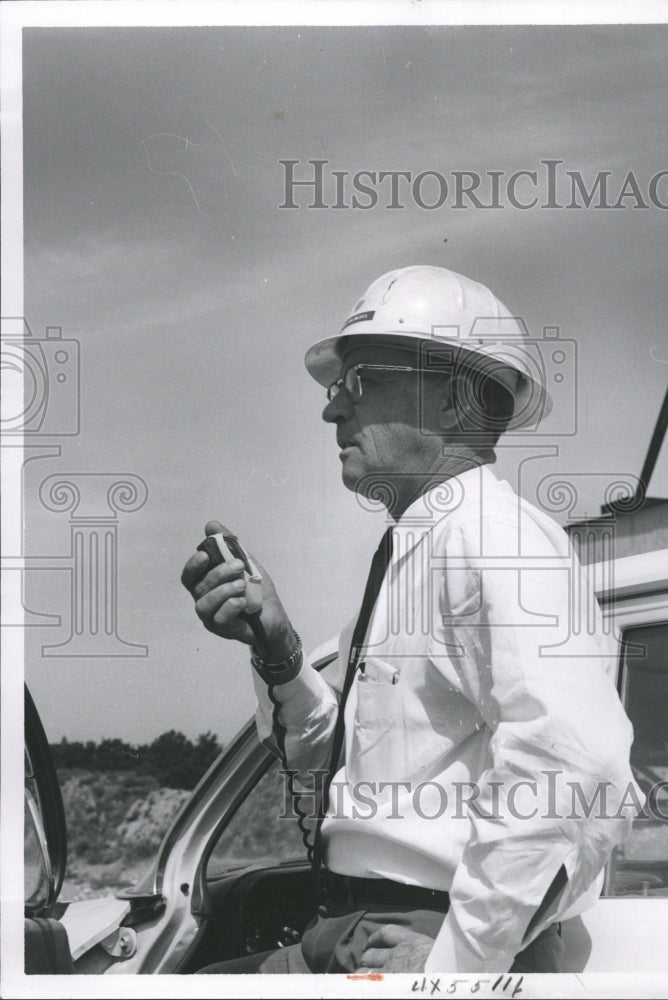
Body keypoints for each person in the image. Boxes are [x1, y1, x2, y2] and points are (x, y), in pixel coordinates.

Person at [182, 265, 638, 974]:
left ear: (457, 400)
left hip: (418, 933)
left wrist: (457, 966)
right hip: (354, 926)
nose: (332, 411)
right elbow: (324, 755)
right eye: (338, 388)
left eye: (358, 383)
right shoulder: (417, 542)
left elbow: (579, 760)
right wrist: (277, 649)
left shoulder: (494, 538)